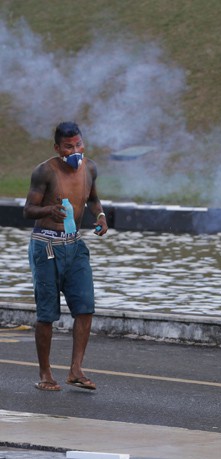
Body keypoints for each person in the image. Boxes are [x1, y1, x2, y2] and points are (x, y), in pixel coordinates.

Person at [23, 121, 108, 392]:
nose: (75, 150)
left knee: (85, 307)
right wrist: (49, 210)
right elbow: (28, 209)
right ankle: (46, 373)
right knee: (47, 314)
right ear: (58, 148)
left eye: (79, 144)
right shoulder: (44, 171)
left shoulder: (90, 168)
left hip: (75, 245)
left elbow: (93, 199)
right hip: (46, 245)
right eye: (69, 146)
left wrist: (101, 216)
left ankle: (76, 369)